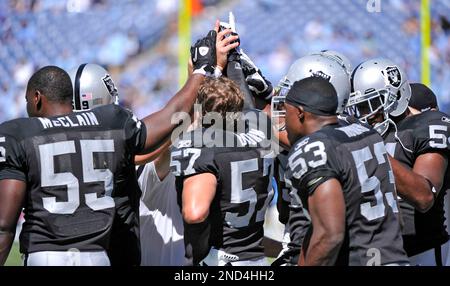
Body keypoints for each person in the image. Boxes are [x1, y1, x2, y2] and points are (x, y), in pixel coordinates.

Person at [0, 28, 224, 266]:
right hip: (101, 255)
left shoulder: (21, 134)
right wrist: (204, 72)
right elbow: (168, 125)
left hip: (46, 254)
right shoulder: (113, 126)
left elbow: (5, 224)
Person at [284, 76, 409, 266]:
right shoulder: (367, 134)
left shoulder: (314, 148)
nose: (284, 120)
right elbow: (396, 218)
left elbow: (329, 234)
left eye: (286, 112)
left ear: (300, 113)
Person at [347, 58, 450, 266]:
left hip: (422, 251)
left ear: (396, 97)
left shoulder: (425, 125)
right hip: (375, 250)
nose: (366, 114)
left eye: (373, 104)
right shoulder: (371, 131)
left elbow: (424, 195)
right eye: (360, 107)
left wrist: (369, 147)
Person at [171, 76, 274, 266]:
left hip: (220, 259)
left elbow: (196, 213)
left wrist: (199, 254)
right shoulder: (262, 134)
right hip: (257, 258)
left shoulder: (203, 146)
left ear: (201, 111)